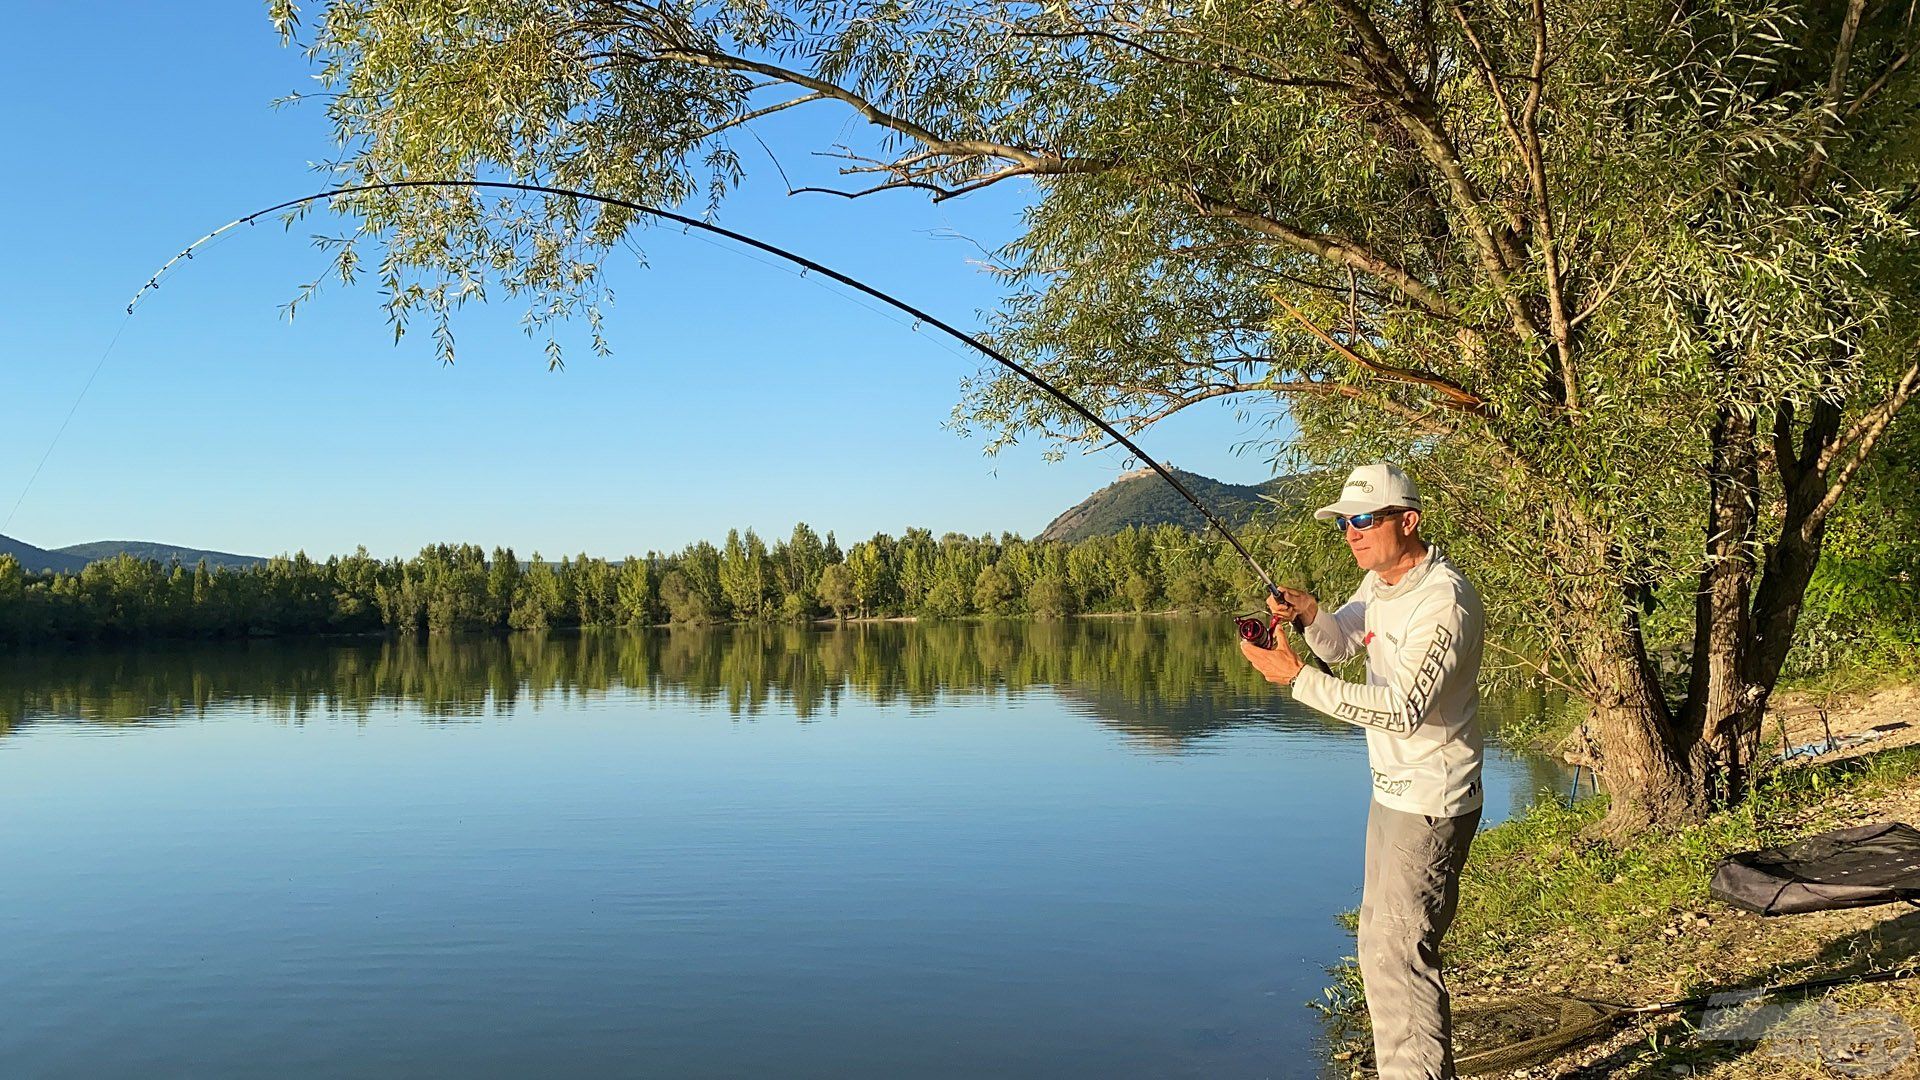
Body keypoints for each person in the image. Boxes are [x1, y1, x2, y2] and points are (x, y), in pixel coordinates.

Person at [1238, 462, 1485, 1080]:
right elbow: (1344, 643)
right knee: (1379, 951)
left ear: (1408, 521)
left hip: (1431, 798)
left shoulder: (1442, 601)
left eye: (1364, 520)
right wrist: (1310, 617)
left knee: (1400, 959)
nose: (1351, 532)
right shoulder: (1380, 586)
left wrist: (1297, 680)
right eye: (1345, 522)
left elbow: (1403, 710)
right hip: (1393, 794)